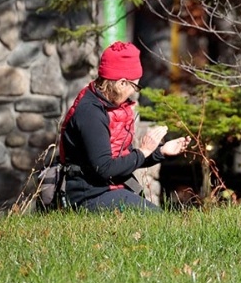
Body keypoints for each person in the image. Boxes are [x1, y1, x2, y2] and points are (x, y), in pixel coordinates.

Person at [59, 41, 190, 212]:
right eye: (134, 85)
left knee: (158, 218)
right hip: (89, 196)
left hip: (108, 189)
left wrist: (160, 151)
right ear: (121, 83)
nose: (134, 92)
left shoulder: (110, 106)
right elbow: (105, 168)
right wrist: (143, 151)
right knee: (161, 222)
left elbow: (122, 161)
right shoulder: (90, 113)